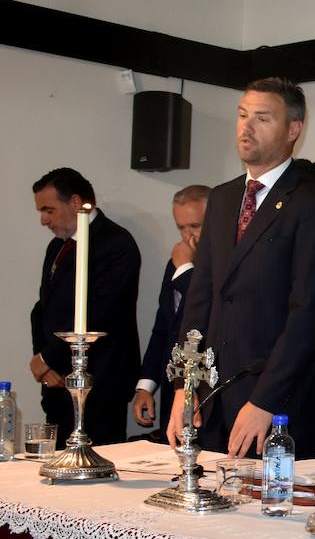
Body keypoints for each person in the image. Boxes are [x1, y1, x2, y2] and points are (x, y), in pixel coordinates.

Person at [170, 77, 315, 458]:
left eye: (262, 118)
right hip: (213, 398)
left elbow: (307, 314)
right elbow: (200, 299)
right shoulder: (223, 197)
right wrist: (185, 384)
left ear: (293, 129)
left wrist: (265, 400)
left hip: (276, 405)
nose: (246, 127)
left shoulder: (311, 202)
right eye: (242, 115)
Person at [30, 168, 141, 445]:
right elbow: (42, 309)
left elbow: (100, 313)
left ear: (76, 202)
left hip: (100, 381)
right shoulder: (57, 247)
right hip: (57, 382)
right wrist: (44, 361)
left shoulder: (116, 244)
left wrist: (47, 358)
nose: (43, 220)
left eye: (49, 210)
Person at [133, 184, 209, 434]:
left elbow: (204, 312)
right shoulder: (175, 262)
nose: (187, 236)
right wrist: (146, 385)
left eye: (195, 226)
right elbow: (164, 327)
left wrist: (186, 268)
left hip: (205, 389)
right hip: (172, 385)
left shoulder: (223, 265)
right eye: (181, 227)